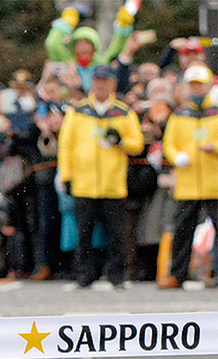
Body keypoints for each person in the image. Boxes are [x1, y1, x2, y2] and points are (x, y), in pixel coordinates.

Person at [57, 65, 143, 289]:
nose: (101, 85)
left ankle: (117, 274)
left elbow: (137, 144)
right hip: (84, 183)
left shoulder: (123, 112)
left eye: (105, 81)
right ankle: (85, 274)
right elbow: (66, 145)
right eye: (97, 81)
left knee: (117, 233)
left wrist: (120, 142)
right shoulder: (79, 111)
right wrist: (67, 175)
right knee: (83, 233)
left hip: (112, 183)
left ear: (113, 84)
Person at [161, 65, 218, 288]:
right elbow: (169, 144)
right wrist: (177, 157)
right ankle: (177, 273)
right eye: (193, 85)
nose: (197, 89)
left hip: (214, 182)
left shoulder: (216, 112)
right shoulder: (179, 114)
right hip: (188, 183)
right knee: (182, 230)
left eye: (200, 84)